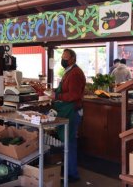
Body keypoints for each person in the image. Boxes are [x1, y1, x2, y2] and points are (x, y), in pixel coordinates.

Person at [50, 49, 86, 182]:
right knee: (67, 142)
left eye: (65, 57)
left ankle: (72, 174)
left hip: (72, 111)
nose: (63, 60)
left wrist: (57, 96)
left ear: (72, 59)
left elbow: (74, 95)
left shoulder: (75, 73)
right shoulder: (69, 71)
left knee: (70, 142)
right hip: (65, 110)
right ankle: (68, 170)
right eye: (62, 57)